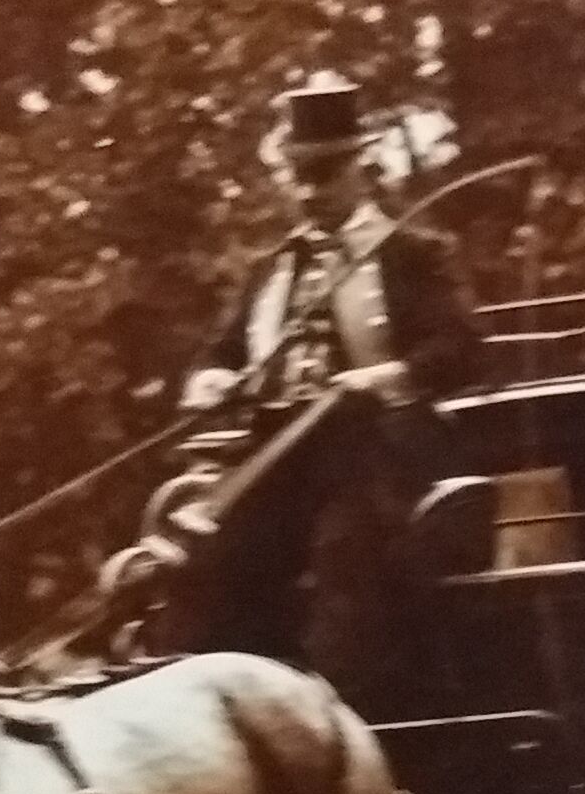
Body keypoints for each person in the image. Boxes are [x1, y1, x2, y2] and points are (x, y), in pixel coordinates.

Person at [153, 72, 483, 711]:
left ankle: (346, 714)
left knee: (346, 557)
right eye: (298, 177)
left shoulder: (409, 254)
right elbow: (223, 353)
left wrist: (381, 379)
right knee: (204, 557)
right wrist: (210, 380)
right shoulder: (270, 269)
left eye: (325, 175)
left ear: (361, 167)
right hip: (275, 456)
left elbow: (461, 348)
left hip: (373, 455)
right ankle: (205, 712)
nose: (310, 193)